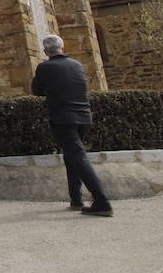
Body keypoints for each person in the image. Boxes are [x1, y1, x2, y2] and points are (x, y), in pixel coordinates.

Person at [32, 34, 112, 217]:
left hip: (63, 119)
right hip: (84, 117)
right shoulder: (77, 65)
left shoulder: (45, 67)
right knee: (72, 157)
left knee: (78, 157)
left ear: (45, 51)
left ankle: (102, 201)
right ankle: (76, 198)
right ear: (63, 47)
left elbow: (36, 90)